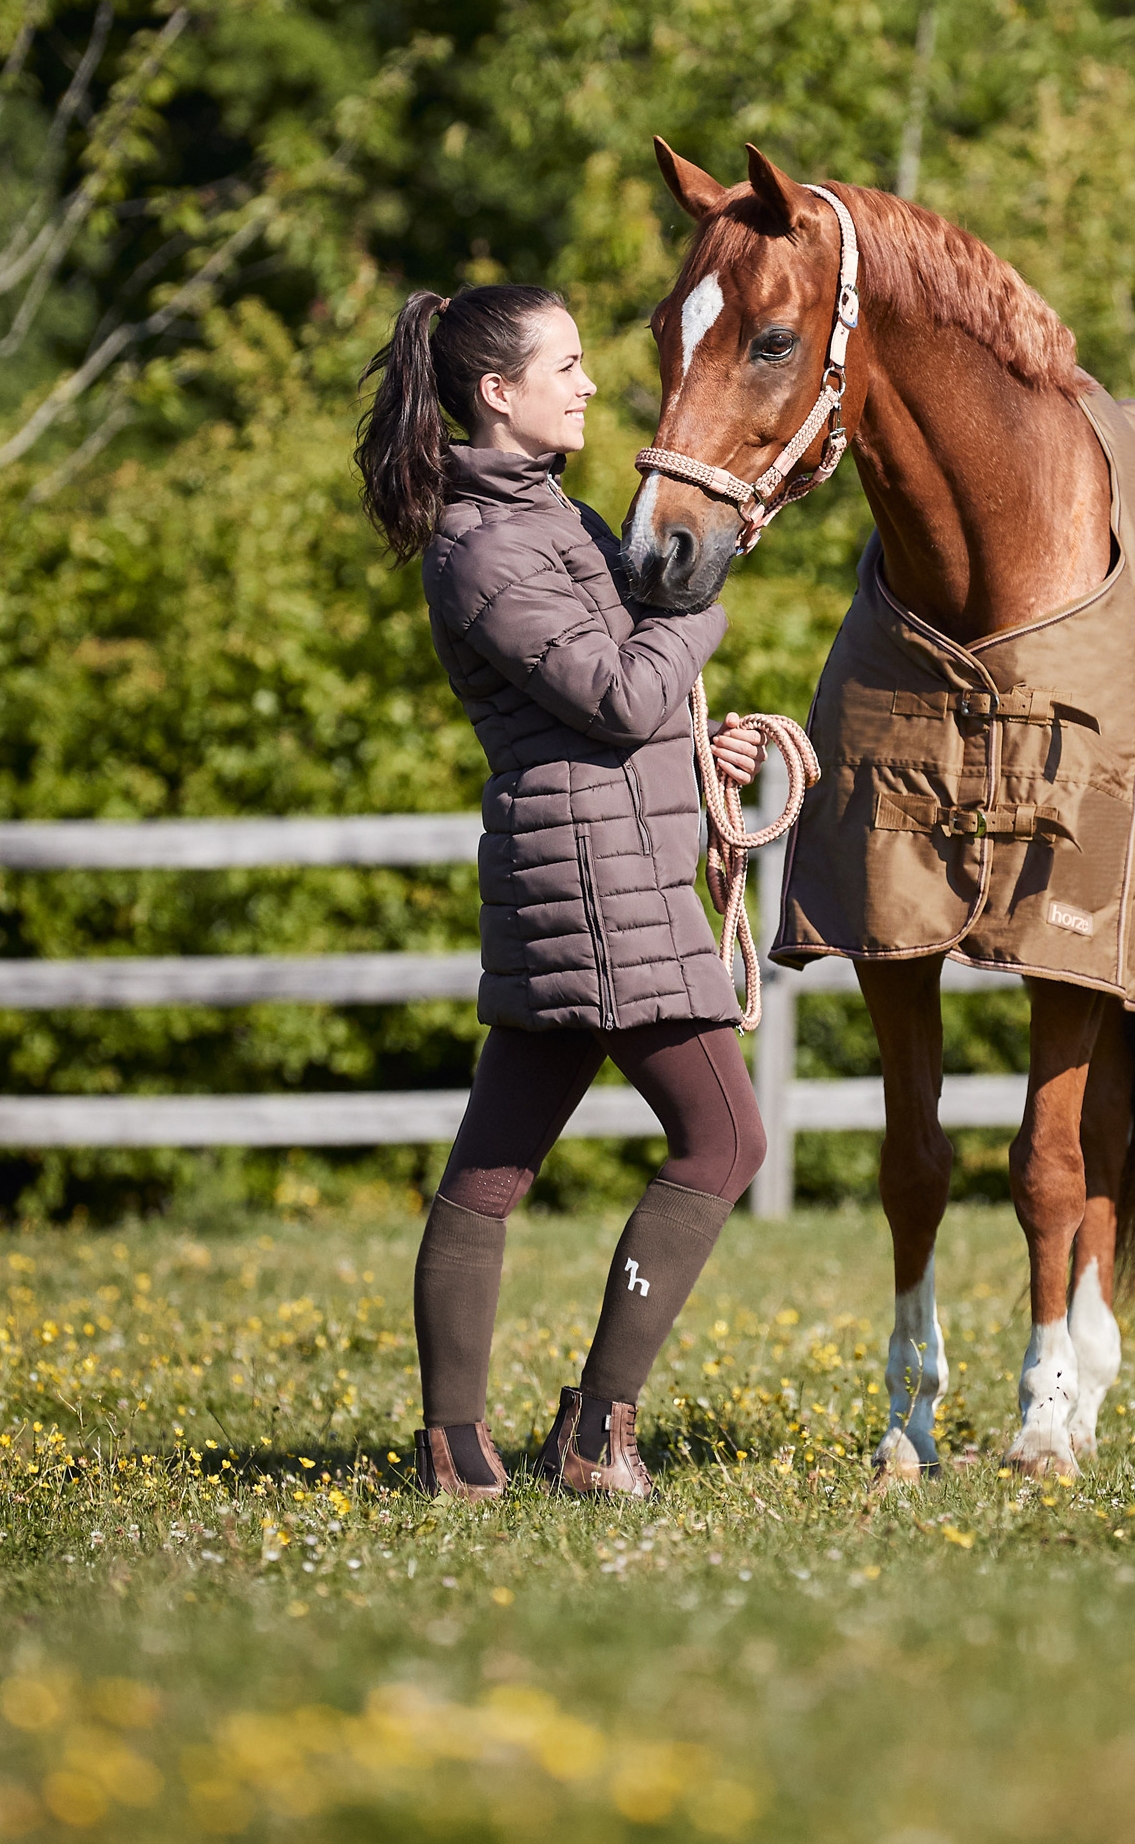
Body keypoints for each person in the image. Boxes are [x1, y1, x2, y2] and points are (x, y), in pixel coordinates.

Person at [355, 284, 767, 1499]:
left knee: (491, 1170)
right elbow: (621, 690)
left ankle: (458, 1453)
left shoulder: (561, 518)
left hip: (604, 871)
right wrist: (705, 619)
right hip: (596, 888)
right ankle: (594, 1433)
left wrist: (707, 744)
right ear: (498, 393)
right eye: (568, 365)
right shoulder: (480, 549)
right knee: (726, 1138)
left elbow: (634, 708)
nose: (590, 385)